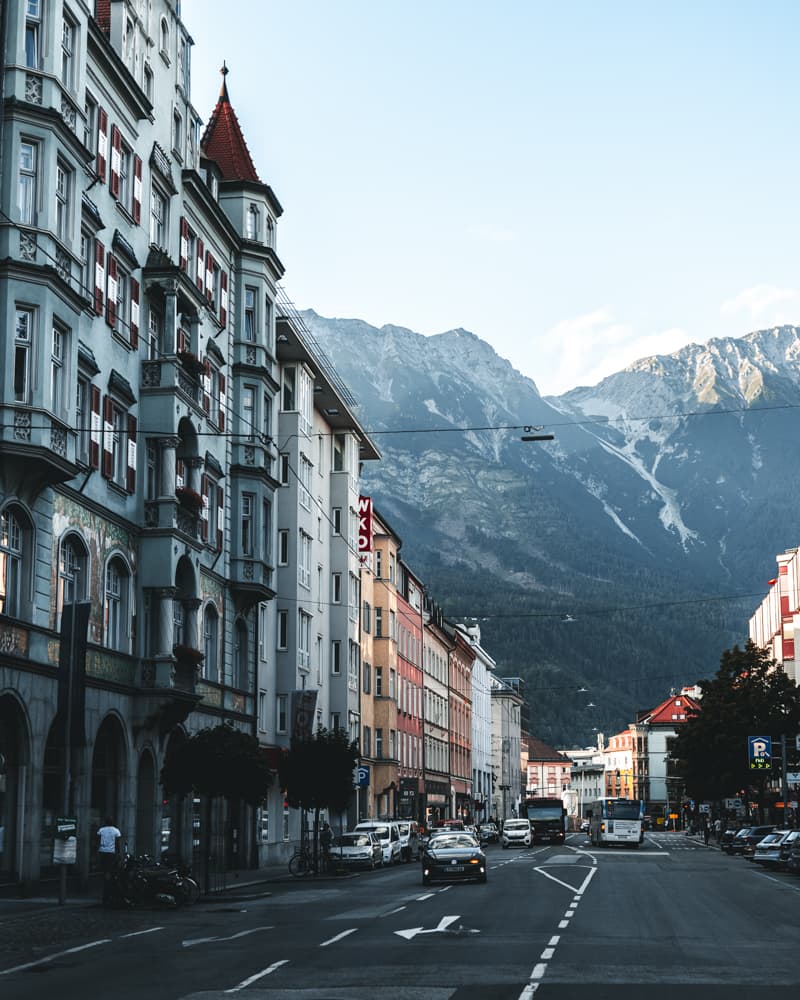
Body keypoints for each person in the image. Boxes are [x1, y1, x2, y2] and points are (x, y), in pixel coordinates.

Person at [97, 816, 122, 904]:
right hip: (111, 853)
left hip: (102, 852)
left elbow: (98, 840)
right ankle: (108, 891)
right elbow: (117, 843)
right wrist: (118, 853)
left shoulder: (101, 830)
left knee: (105, 871)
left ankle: (106, 887)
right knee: (111, 871)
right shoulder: (116, 831)